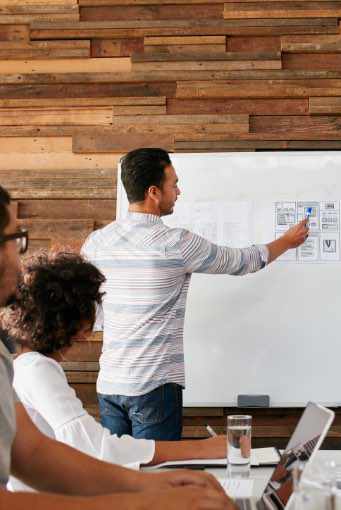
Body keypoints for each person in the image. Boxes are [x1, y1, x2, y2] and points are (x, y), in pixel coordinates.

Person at [0, 185, 235, 510]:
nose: (19, 255)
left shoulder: (13, 362)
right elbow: (87, 445)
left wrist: (152, 485)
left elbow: (34, 453)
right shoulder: (36, 369)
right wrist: (152, 493)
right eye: (16, 239)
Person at [81, 148, 309, 441]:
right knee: (161, 477)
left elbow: (95, 312)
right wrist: (287, 241)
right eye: (173, 184)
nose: (178, 191)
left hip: (110, 385)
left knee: (119, 476)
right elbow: (242, 261)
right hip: (155, 386)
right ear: (153, 192)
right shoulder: (176, 243)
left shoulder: (97, 243)